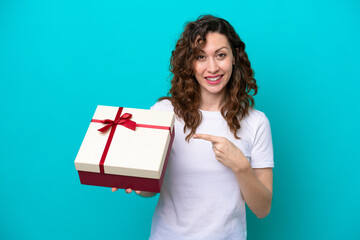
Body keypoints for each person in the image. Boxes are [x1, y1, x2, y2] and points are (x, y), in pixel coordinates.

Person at [112, 15, 274, 239]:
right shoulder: (164, 113)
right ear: (190, 63)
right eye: (200, 57)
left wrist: (241, 167)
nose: (212, 67)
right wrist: (133, 181)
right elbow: (148, 190)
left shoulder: (256, 123)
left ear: (235, 57)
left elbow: (263, 208)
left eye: (221, 55)